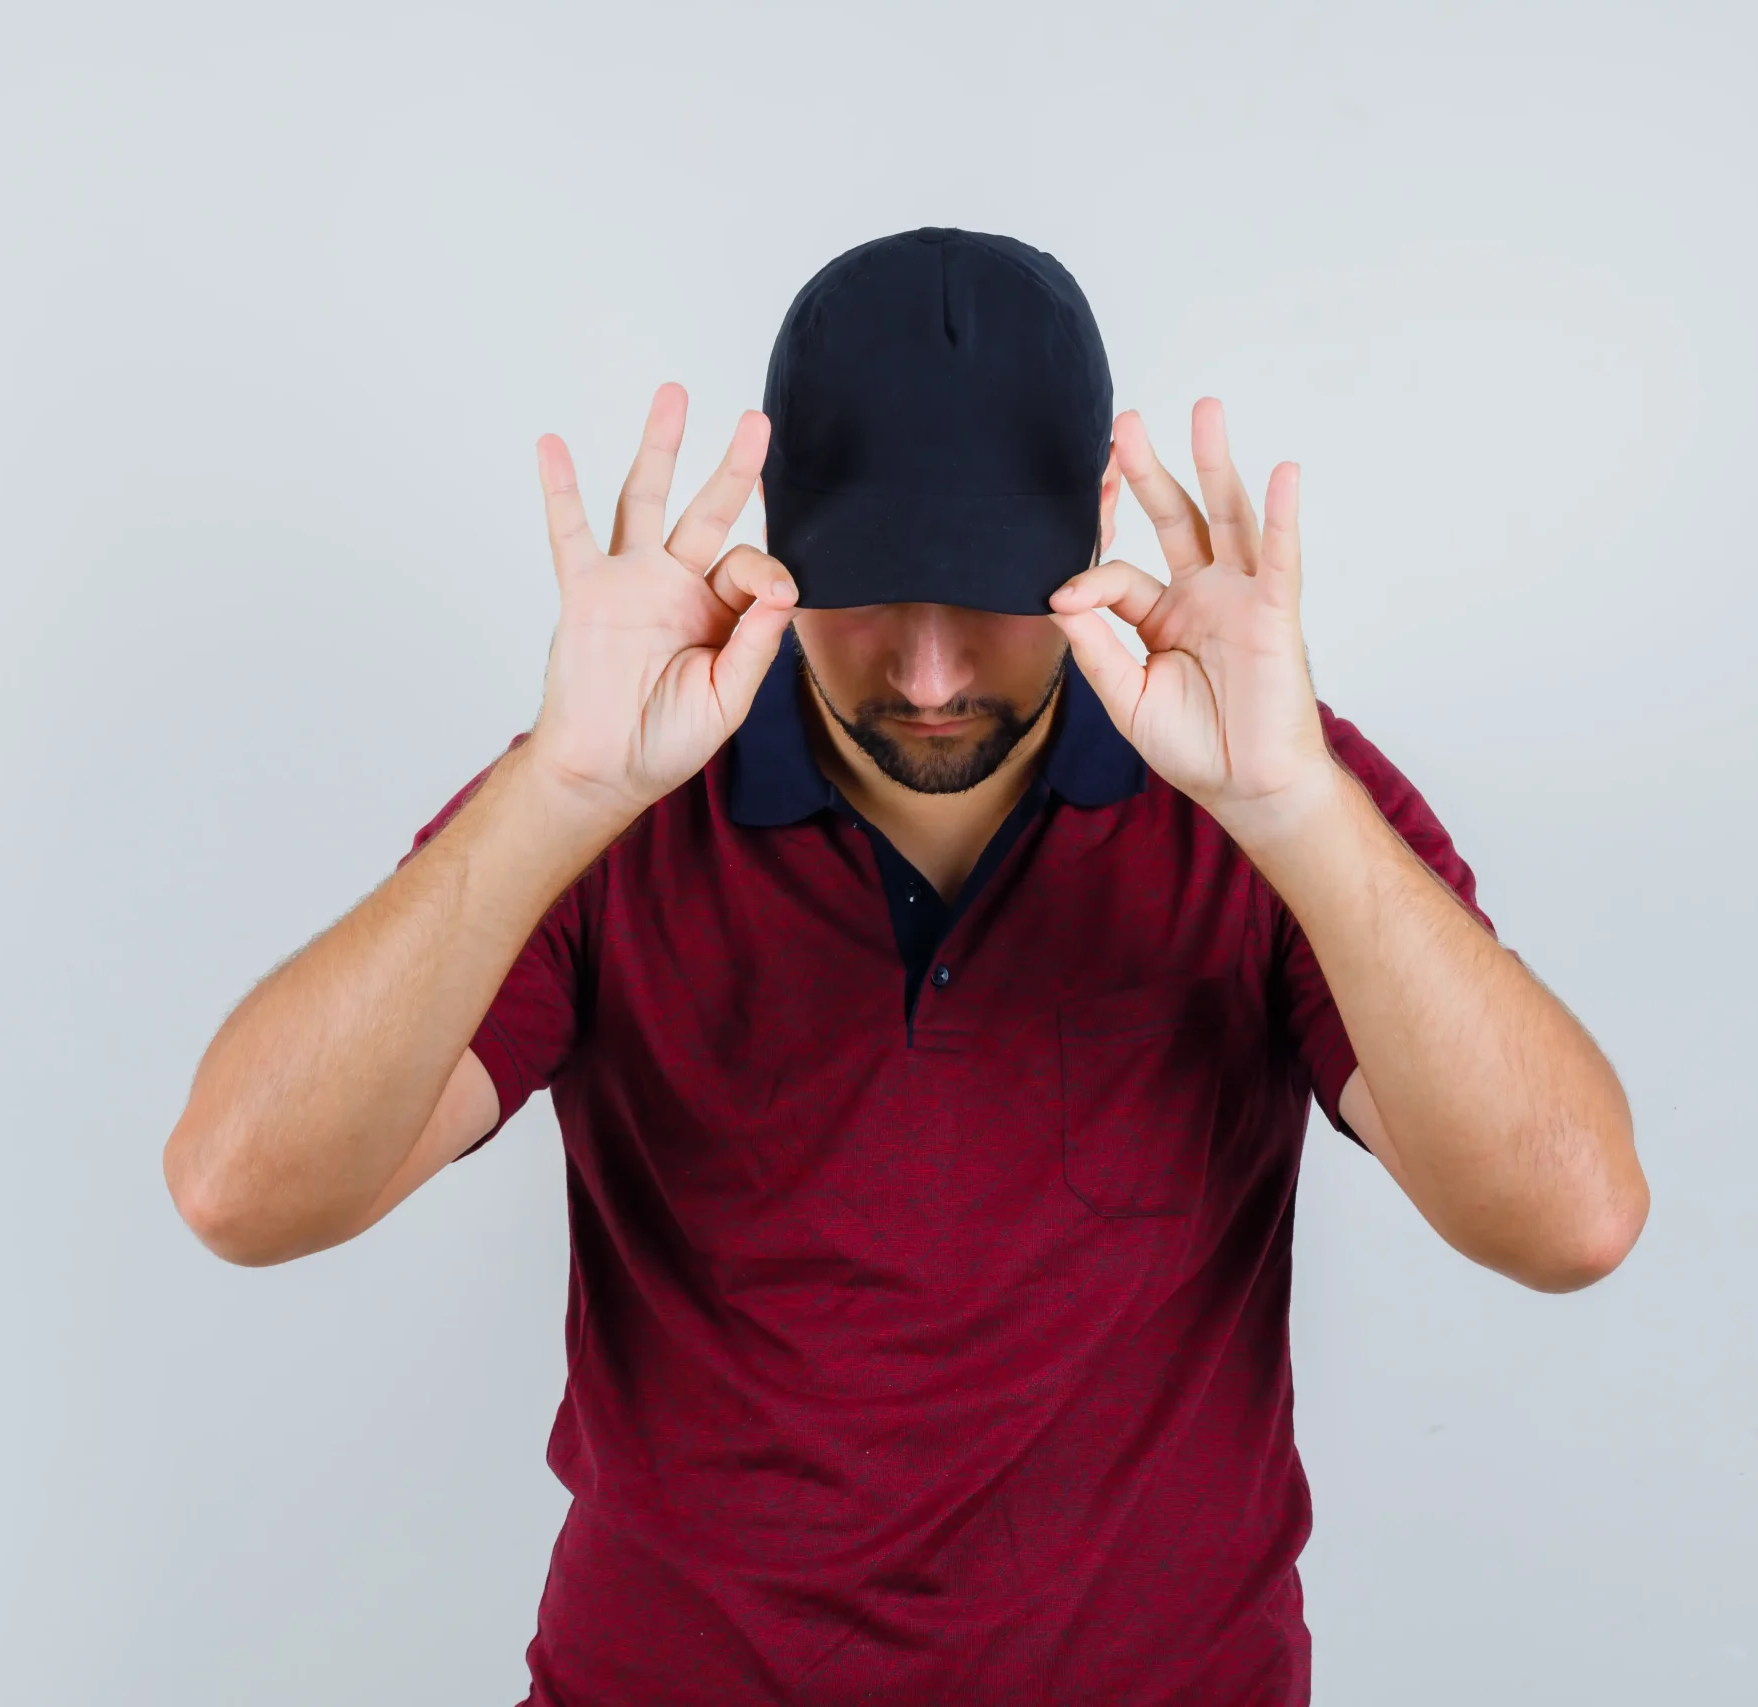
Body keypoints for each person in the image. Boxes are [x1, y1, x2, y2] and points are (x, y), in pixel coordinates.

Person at [161, 227, 1646, 1705]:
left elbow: (1570, 1218)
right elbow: (244, 1189)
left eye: (990, 596)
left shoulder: (1275, 791)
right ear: (778, 559)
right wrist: (558, 790)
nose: (929, 674)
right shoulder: (609, 793)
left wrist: (1298, 811)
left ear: (1085, 559)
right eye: (868, 590)